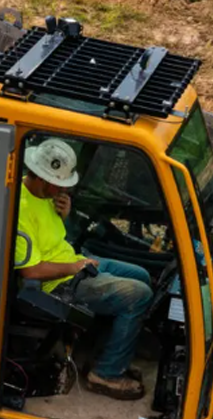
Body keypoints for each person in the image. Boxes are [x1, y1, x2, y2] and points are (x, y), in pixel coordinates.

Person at [13, 137, 153, 401]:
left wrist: (65, 216)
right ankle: (106, 374)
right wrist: (76, 266)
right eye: (59, 184)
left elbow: (51, 239)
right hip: (57, 284)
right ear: (43, 178)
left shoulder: (44, 196)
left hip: (74, 262)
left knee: (141, 275)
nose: (62, 190)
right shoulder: (19, 211)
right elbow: (30, 272)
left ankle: (109, 353)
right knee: (139, 295)